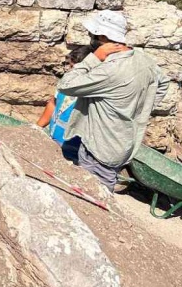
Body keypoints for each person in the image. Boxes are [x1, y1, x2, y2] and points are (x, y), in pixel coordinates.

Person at [57, 10, 169, 192]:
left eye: (92, 35)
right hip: (122, 143)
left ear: (101, 36)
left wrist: (93, 59)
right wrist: (140, 109)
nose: (90, 39)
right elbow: (163, 82)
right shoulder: (143, 59)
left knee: (92, 197)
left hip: (99, 149)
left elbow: (66, 85)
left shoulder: (110, 69)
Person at [36, 46, 91, 162]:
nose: (69, 70)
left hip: (73, 153)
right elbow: (53, 104)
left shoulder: (89, 95)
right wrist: (37, 128)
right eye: (69, 66)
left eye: (73, 67)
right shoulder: (65, 84)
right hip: (53, 142)